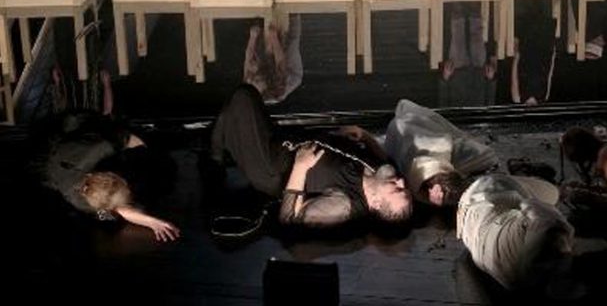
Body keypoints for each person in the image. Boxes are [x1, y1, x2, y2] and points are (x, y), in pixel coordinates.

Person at [210, 85, 412, 227]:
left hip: (270, 167)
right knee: (241, 105)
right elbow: (385, 160)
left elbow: (289, 218)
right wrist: (365, 136)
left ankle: (216, 153)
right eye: (405, 188)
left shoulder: (343, 206)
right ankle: (219, 144)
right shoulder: (384, 174)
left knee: (244, 96)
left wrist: (301, 166)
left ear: (376, 203)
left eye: (397, 189)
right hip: (286, 139)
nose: (401, 182)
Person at [38, 110, 179, 241]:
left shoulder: (100, 148)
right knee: (110, 219)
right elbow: (118, 209)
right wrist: (150, 221)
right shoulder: (81, 202)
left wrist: (145, 152)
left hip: (68, 133)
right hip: (48, 167)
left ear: (111, 174)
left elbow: (129, 139)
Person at [457, 173, 574, 290]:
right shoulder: (520, 283)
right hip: (468, 227)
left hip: (482, 198)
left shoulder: (551, 229)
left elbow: (532, 205)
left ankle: (562, 191)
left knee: (549, 194)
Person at [384, 99, 498, 206]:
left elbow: (488, 156)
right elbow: (487, 156)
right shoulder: (443, 149)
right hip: (412, 129)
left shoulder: (451, 154)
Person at [243, 13, 303, 104]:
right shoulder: (279, 84)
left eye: (255, 79)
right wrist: (273, 36)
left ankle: (262, 18)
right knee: (290, 43)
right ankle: (294, 15)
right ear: (266, 87)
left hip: (267, 71)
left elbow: (248, 55)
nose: (256, 79)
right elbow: (280, 62)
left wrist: (253, 36)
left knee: (262, 49)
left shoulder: (249, 80)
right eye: (258, 80)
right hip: (290, 73)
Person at [511, 0, 558, 104]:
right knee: (545, 17)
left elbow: (514, 78)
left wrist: (516, 57)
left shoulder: (518, 98)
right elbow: (549, 76)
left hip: (526, 57)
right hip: (543, 54)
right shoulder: (543, 97)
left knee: (526, 19)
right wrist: (553, 56)